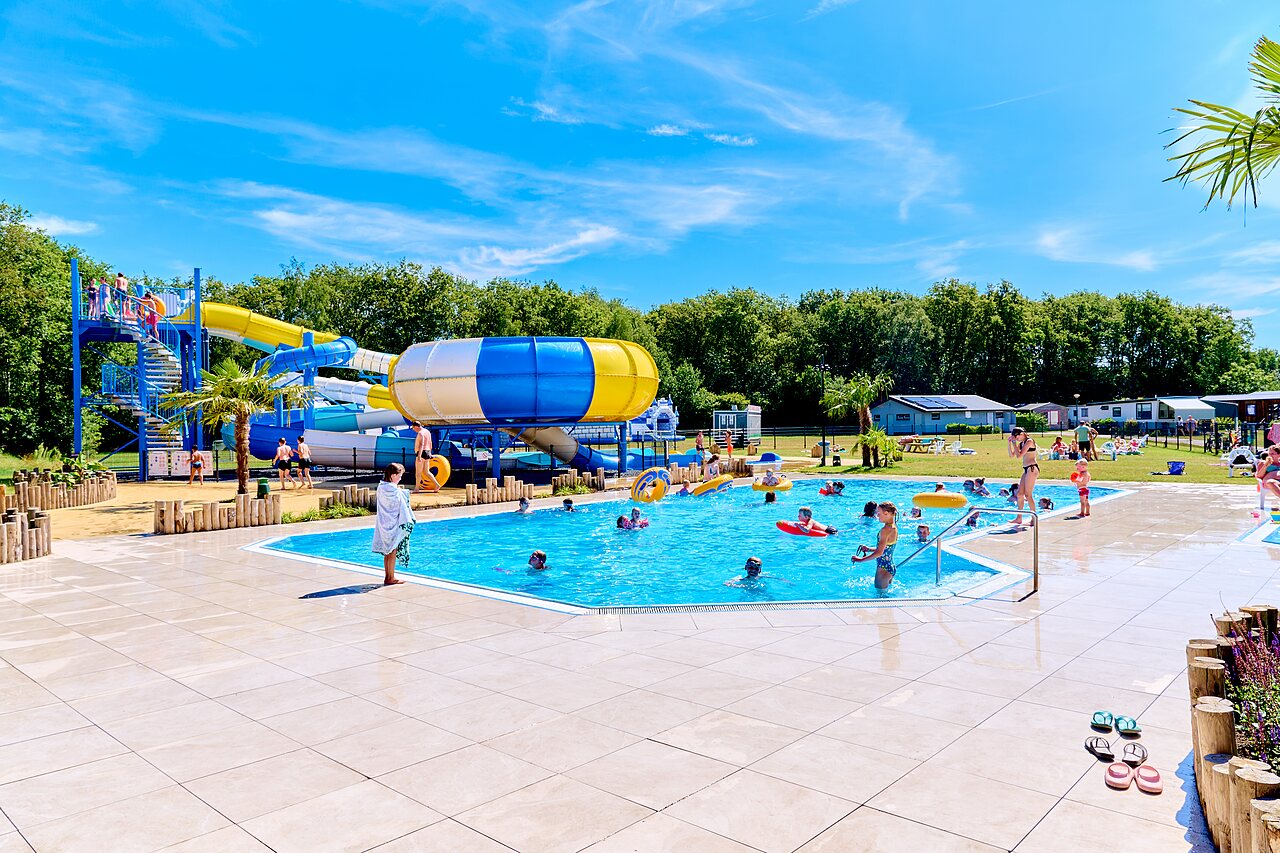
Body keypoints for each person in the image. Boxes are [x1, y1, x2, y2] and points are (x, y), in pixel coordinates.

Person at [372, 463, 414, 585]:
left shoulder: (381, 486)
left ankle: (388, 576)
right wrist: (405, 493)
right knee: (392, 550)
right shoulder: (393, 490)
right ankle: (390, 577)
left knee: (388, 551)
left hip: (383, 523)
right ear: (393, 475)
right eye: (399, 475)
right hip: (393, 523)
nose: (401, 478)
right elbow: (398, 504)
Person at [852, 501, 899, 590]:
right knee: (885, 597)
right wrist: (869, 549)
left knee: (880, 599)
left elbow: (879, 553)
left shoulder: (885, 530)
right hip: (890, 567)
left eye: (879, 513)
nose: (877, 515)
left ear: (886, 513)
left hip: (883, 569)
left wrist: (861, 560)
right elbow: (886, 549)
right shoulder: (893, 527)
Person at [1007, 427, 1039, 528]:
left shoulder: (1029, 441)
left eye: (1017, 437)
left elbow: (1019, 456)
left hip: (1032, 468)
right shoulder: (1021, 443)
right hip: (1026, 469)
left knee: (1028, 495)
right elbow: (1012, 455)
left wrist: (1014, 444)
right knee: (1020, 494)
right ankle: (1019, 518)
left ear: (1022, 434)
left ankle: (1034, 519)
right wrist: (1009, 443)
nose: (1017, 440)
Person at [411, 423, 438, 493]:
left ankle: (416, 489)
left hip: (422, 453)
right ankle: (437, 484)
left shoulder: (420, 433)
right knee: (426, 471)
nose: (413, 430)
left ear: (416, 427)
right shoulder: (427, 431)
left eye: (413, 428)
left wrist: (419, 456)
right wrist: (430, 453)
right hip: (428, 452)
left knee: (418, 473)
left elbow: (421, 445)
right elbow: (430, 443)